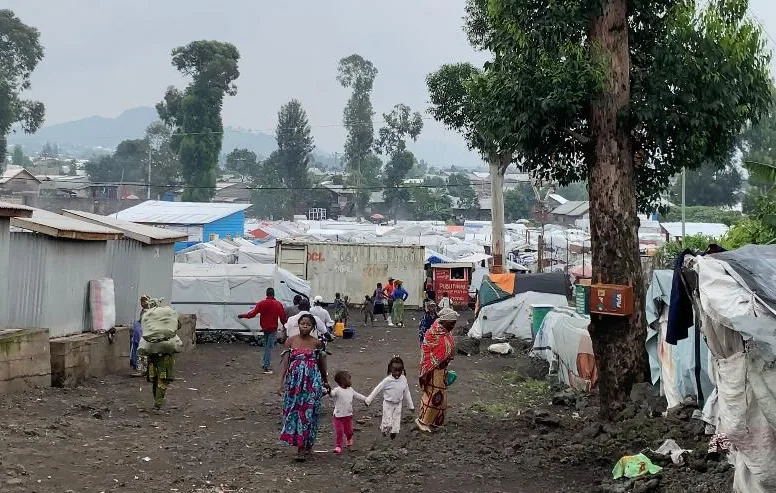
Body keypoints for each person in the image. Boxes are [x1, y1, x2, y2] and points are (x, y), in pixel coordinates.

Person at [278, 313, 330, 462]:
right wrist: (280, 383)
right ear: (298, 325)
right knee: (295, 412)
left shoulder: (317, 344)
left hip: (312, 383)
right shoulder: (290, 341)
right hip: (295, 384)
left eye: (308, 324)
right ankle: (300, 445)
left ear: (313, 327)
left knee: (309, 412)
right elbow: (285, 363)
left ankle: (306, 445)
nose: (304, 326)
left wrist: (325, 381)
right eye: (302, 324)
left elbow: (321, 364)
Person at [416, 308, 458, 432]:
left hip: (441, 371)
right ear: (444, 321)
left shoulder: (444, 332)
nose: (453, 326)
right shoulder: (433, 334)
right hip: (433, 371)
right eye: (451, 323)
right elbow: (428, 351)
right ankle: (423, 421)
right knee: (434, 398)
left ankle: (434, 422)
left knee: (441, 398)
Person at [239, 287, 288, 375]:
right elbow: (282, 317)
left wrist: (242, 315)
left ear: (266, 294)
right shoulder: (278, 304)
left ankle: (265, 362)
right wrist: (286, 325)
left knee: (267, 346)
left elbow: (252, 314)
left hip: (265, 328)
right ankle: (266, 366)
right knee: (269, 347)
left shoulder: (261, 303)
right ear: (273, 294)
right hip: (273, 328)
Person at [365, 356, 414, 439]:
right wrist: (368, 400)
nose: (398, 373)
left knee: (396, 421)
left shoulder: (404, 379)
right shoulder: (387, 380)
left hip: (398, 404)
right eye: (395, 370)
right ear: (391, 369)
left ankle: (393, 434)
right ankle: (384, 430)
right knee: (388, 422)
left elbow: (407, 392)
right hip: (388, 404)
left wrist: (411, 406)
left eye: (400, 371)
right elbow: (377, 389)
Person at [329, 370, 367, 454]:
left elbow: (357, 395)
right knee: (339, 431)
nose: (350, 381)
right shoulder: (337, 390)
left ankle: (349, 439)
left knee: (349, 431)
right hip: (338, 416)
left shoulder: (350, 390)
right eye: (349, 379)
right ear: (342, 381)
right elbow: (332, 394)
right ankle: (338, 446)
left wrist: (366, 399)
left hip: (348, 416)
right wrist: (328, 390)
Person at [130, 295, 150, 377]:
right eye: (142, 301)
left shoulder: (149, 311)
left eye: (145, 301)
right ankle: (140, 368)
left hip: (145, 334)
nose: (143, 303)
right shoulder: (143, 311)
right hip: (140, 334)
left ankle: (142, 370)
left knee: (142, 351)